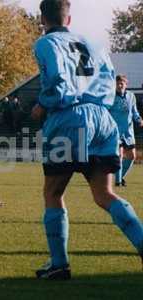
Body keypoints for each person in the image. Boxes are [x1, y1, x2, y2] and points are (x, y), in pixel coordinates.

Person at [31, 0, 143, 280]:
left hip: (69, 118)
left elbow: (57, 81)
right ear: (69, 19)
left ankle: (59, 264)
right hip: (103, 119)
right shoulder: (95, 44)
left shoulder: (46, 43)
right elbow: (107, 81)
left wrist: (43, 105)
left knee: (53, 193)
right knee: (105, 194)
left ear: (42, 18)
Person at [109, 74, 143, 186]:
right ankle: (118, 182)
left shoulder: (131, 96)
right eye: (117, 83)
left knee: (132, 156)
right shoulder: (110, 96)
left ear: (126, 85)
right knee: (119, 155)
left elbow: (134, 112)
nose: (119, 85)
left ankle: (120, 177)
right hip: (115, 131)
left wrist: (139, 119)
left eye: (121, 83)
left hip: (128, 132)